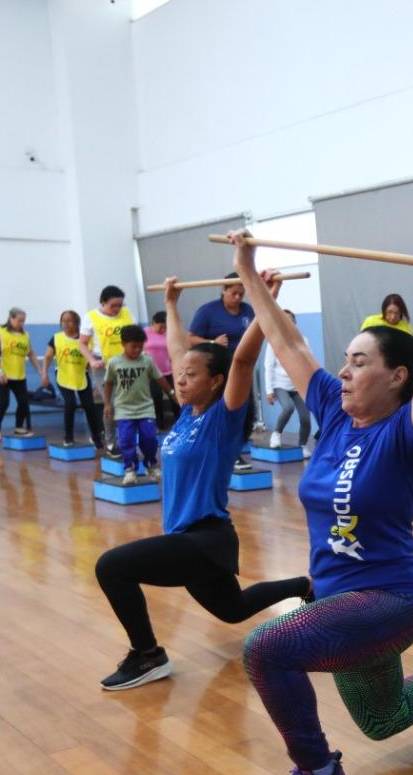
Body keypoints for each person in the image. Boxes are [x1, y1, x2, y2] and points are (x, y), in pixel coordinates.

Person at [229, 230, 413, 775]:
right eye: (346, 361)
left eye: (360, 362)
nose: (345, 371)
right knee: (382, 720)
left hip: (388, 600)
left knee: (265, 649)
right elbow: (285, 338)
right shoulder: (330, 408)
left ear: (397, 377)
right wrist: (248, 271)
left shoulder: (406, 430)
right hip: (338, 604)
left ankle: (317, 773)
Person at [93, 277, 311, 692]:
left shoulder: (221, 419)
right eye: (179, 375)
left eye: (191, 375)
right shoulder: (188, 413)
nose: (180, 379)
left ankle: (148, 655)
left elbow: (243, 361)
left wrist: (265, 299)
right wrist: (171, 304)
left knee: (112, 566)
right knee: (233, 609)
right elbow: (179, 353)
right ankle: (305, 586)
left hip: (205, 538)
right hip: (189, 537)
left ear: (216, 381)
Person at [189, 275, 258, 472]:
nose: (237, 297)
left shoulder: (247, 311)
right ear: (223, 290)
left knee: (246, 413)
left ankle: (234, 450)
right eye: (233, 293)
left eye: (241, 294)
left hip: (242, 370)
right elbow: (190, 339)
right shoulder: (207, 311)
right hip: (218, 372)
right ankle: (230, 455)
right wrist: (212, 343)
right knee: (225, 412)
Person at [103, 324, 172, 485]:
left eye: (140, 347)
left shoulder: (147, 361)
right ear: (123, 344)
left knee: (149, 438)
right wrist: (107, 404)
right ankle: (130, 470)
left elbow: (160, 379)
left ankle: (151, 464)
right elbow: (108, 383)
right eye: (133, 347)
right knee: (126, 441)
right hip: (123, 409)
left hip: (145, 408)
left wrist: (173, 394)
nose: (137, 350)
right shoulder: (114, 362)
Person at [40, 309, 106, 449]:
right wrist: (44, 374)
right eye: (63, 320)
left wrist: (96, 381)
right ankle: (68, 438)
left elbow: (90, 362)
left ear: (77, 323)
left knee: (89, 406)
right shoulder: (56, 338)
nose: (66, 323)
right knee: (70, 404)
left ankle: (95, 437)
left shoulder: (85, 341)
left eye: (69, 320)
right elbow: (47, 357)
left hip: (81, 376)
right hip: (63, 376)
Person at [82, 286, 135, 456]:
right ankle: (111, 442)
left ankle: (126, 440)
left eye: (120, 305)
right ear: (103, 303)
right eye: (113, 306)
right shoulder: (91, 317)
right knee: (111, 403)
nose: (117, 309)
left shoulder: (126, 314)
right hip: (102, 366)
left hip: (124, 363)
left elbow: (135, 336)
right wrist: (91, 360)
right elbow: (82, 343)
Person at [0, 308, 37, 444]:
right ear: (11, 318)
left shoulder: (25, 335)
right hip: (1, 373)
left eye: (23, 321)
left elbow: (30, 353)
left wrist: (40, 370)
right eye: (19, 320)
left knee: (23, 402)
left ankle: (19, 427)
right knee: (4, 402)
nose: (21, 323)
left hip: (18, 374)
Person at [263, 331, 312, 456]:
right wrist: (269, 391)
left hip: (298, 385)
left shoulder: (302, 340)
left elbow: (308, 362)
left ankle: (302, 445)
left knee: (305, 418)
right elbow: (268, 366)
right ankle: (276, 434)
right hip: (280, 384)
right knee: (288, 407)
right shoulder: (273, 342)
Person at [144, 310, 178, 429]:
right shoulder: (145, 333)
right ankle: (159, 424)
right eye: (161, 326)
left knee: (174, 395)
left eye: (165, 327)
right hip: (152, 373)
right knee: (156, 397)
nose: (163, 330)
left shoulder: (169, 334)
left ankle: (179, 421)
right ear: (154, 322)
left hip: (167, 371)